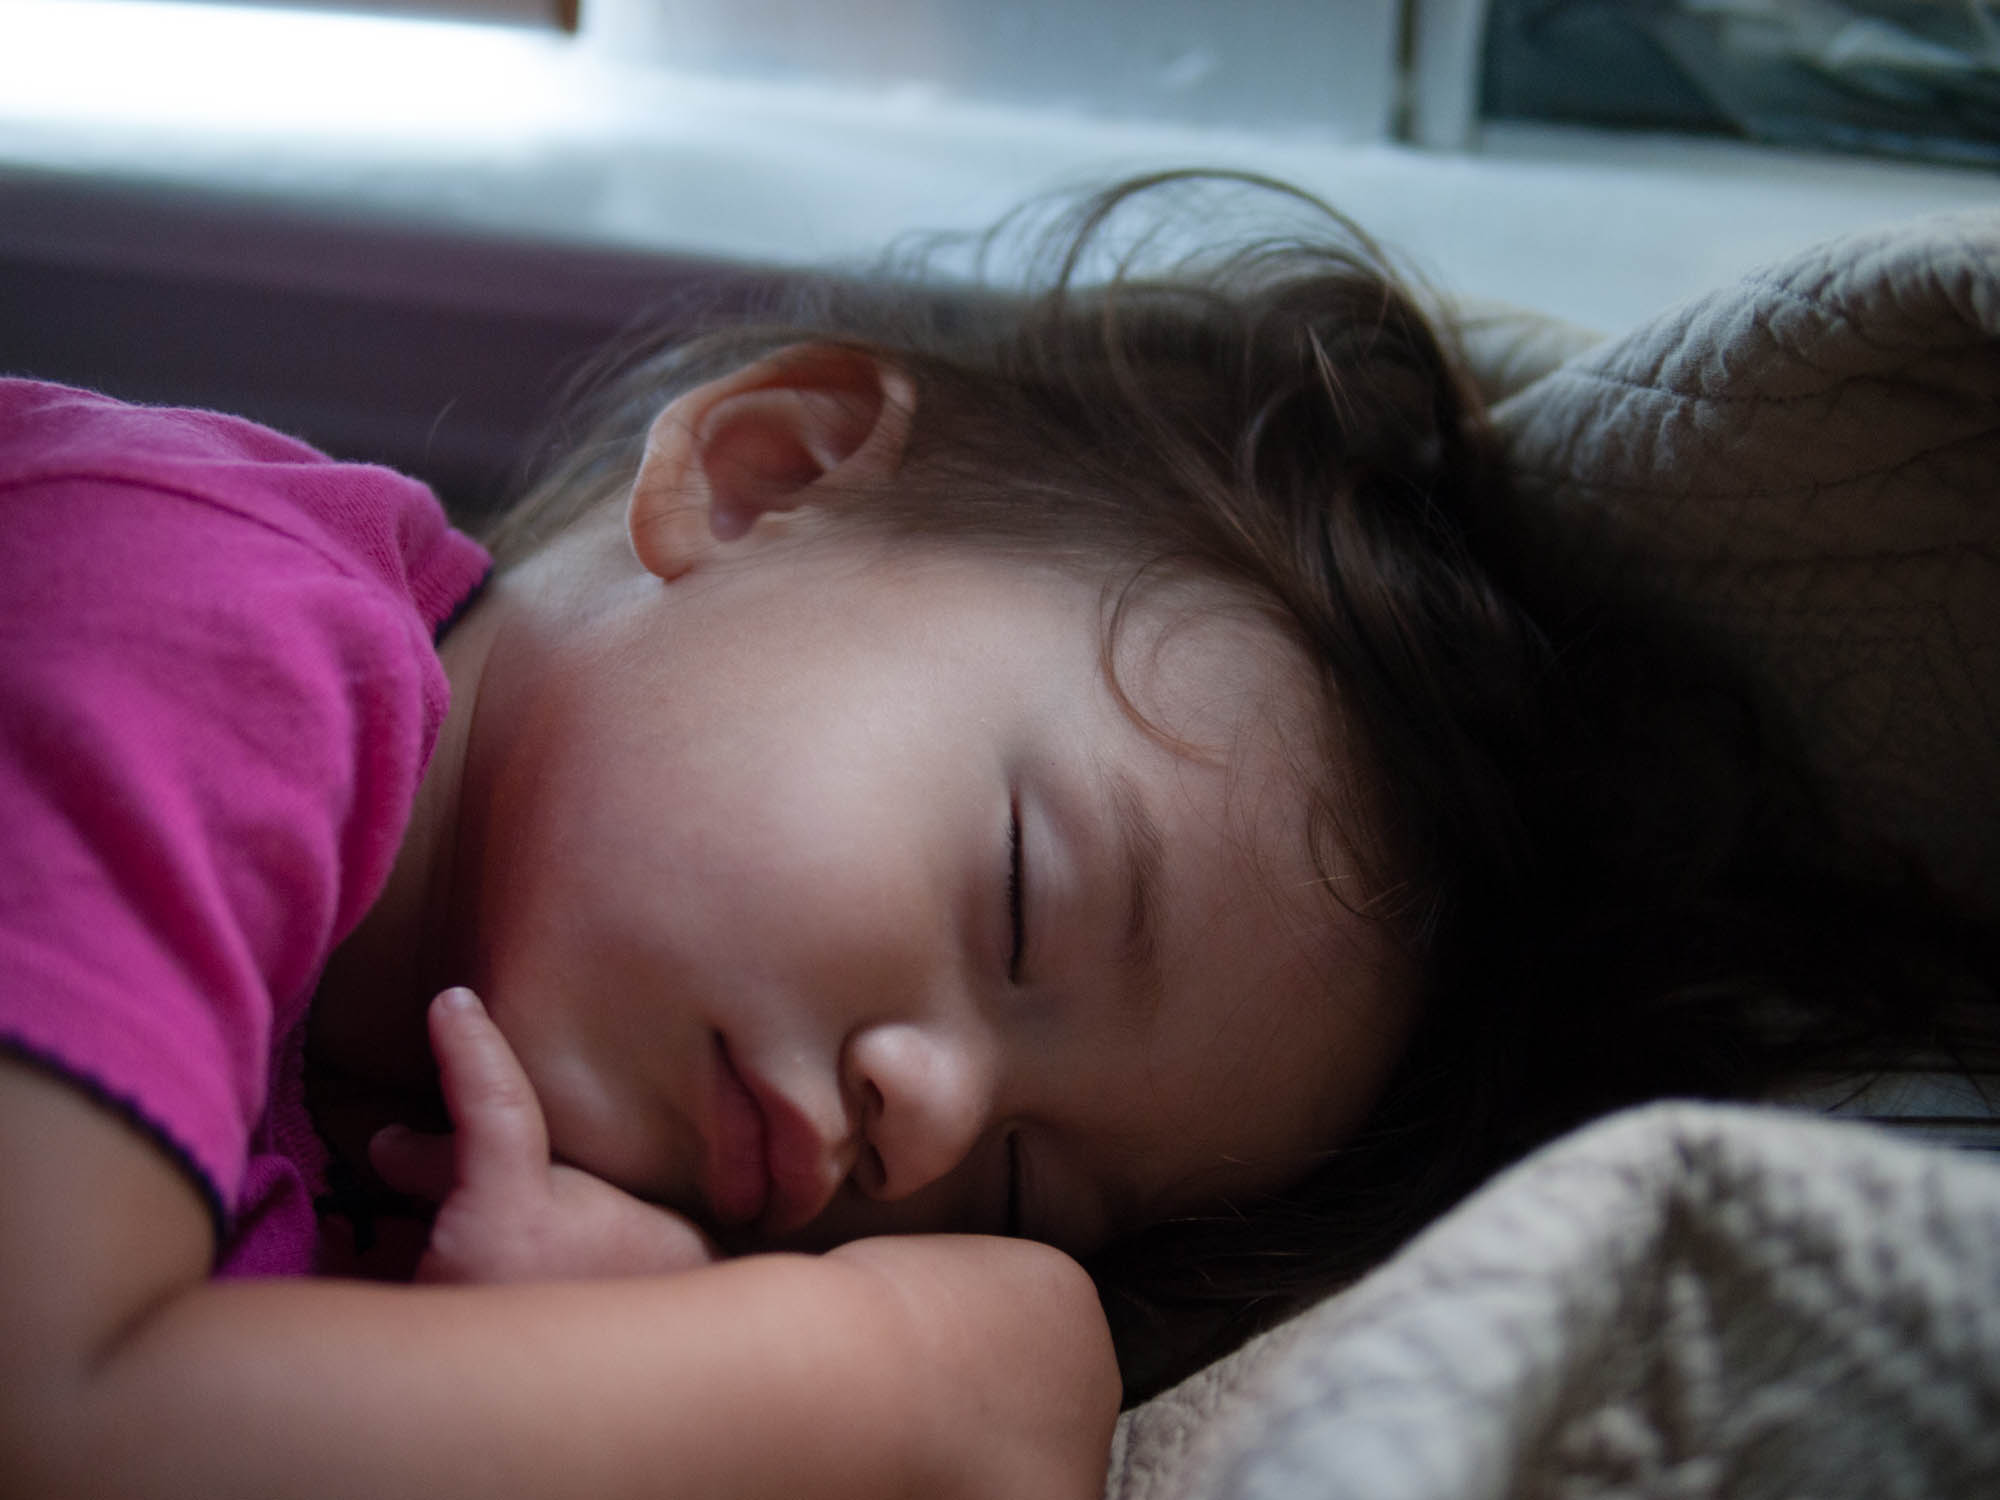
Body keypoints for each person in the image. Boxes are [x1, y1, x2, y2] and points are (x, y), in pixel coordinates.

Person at [0, 171, 1990, 1499]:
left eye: (1027, 1195)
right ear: (770, 480)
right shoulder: (194, 623)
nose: (930, 1123)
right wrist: (927, 1370)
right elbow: (62, 1418)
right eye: (1025, 897)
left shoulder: (467, 1154)